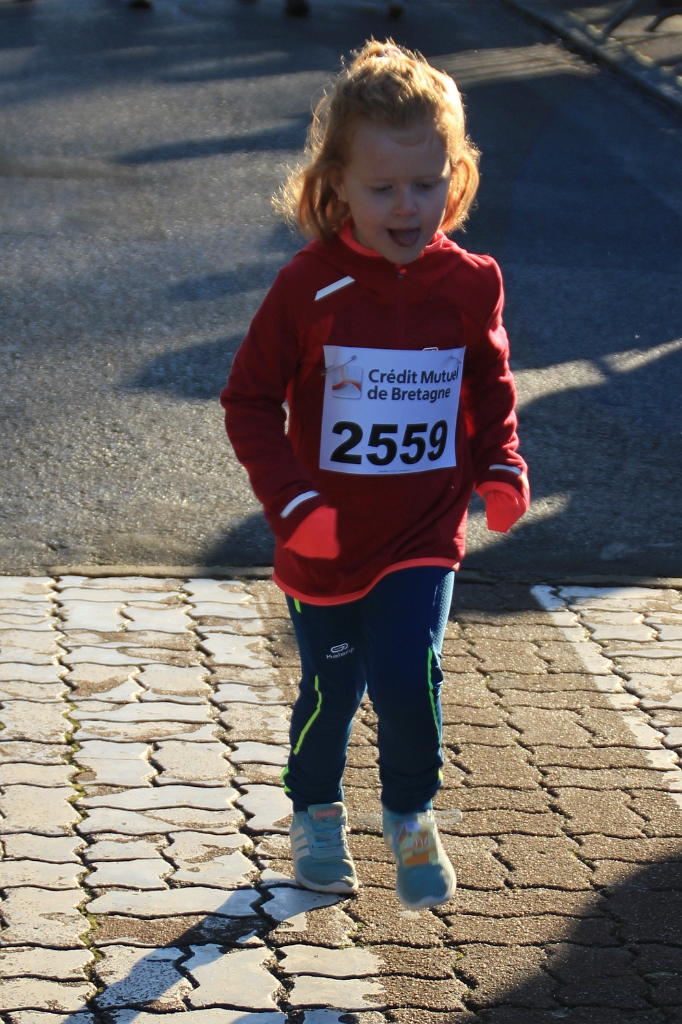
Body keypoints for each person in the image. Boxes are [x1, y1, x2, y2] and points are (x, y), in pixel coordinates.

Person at [221, 40, 529, 909]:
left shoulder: (471, 283)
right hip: (323, 541)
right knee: (334, 685)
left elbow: (489, 383)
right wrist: (293, 502)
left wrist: (501, 463)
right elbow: (248, 400)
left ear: (455, 179)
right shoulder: (308, 287)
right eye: (383, 186)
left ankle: (410, 813)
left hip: (423, 529)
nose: (407, 205)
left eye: (426, 183)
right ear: (338, 186)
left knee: (408, 670)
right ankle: (316, 809)